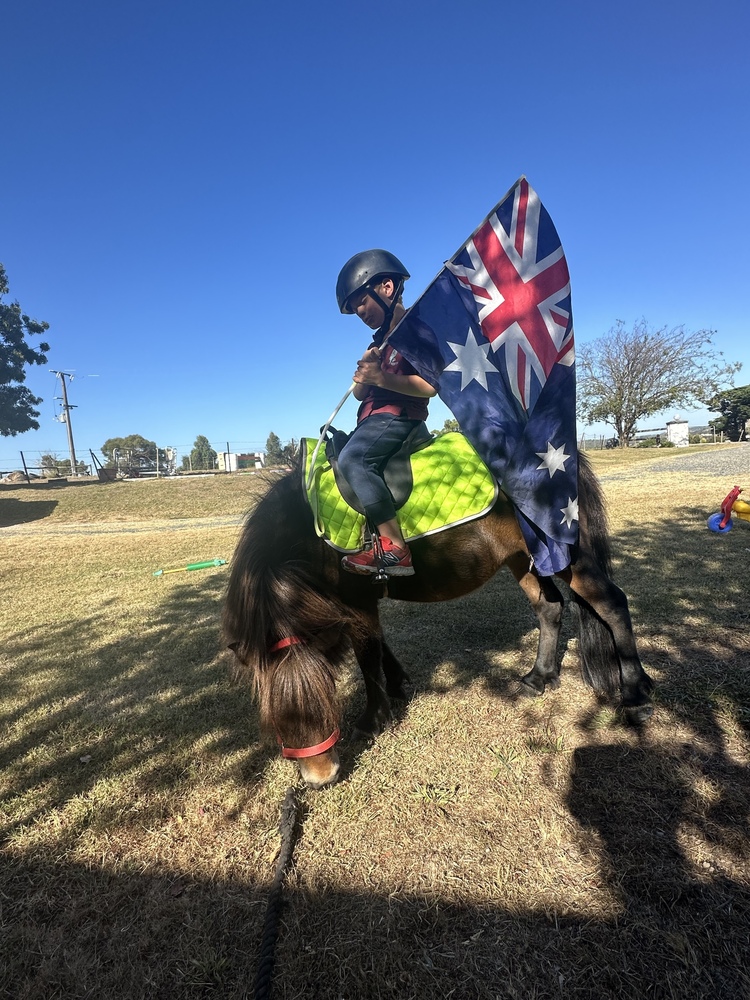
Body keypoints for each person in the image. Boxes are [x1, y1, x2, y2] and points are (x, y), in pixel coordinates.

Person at [335, 249, 437, 576]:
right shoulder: (379, 343)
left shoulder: (416, 330)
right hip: (370, 420)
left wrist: (383, 378)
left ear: (387, 288)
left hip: (397, 417)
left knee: (354, 459)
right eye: (353, 310)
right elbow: (360, 395)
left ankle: (395, 547)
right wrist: (365, 377)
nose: (359, 312)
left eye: (361, 302)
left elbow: (431, 386)